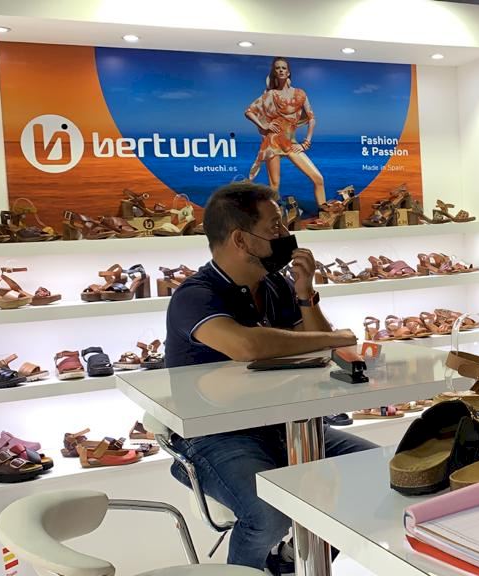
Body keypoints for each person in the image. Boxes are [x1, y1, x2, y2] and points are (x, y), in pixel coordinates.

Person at [164, 181, 374, 573]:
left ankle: (293, 560)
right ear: (241, 239)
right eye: (275, 226)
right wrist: (335, 338)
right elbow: (246, 346)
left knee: (374, 472)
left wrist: (305, 293)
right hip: (213, 436)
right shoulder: (196, 295)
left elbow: (317, 348)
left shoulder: (276, 285)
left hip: (287, 426)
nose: (286, 234)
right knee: (267, 514)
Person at [245, 57, 327, 206]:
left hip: (291, 143)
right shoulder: (270, 94)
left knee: (318, 179)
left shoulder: (300, 94)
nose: (281, 70)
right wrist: (264, 126)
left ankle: (324, 213)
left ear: (288, 72)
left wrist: (306, 142)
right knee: (274, 186)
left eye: (283, 68)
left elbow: (312, 118)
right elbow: (249, 112)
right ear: (274, 73)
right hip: (273, 141)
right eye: (277, 68)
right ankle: (273, 217)